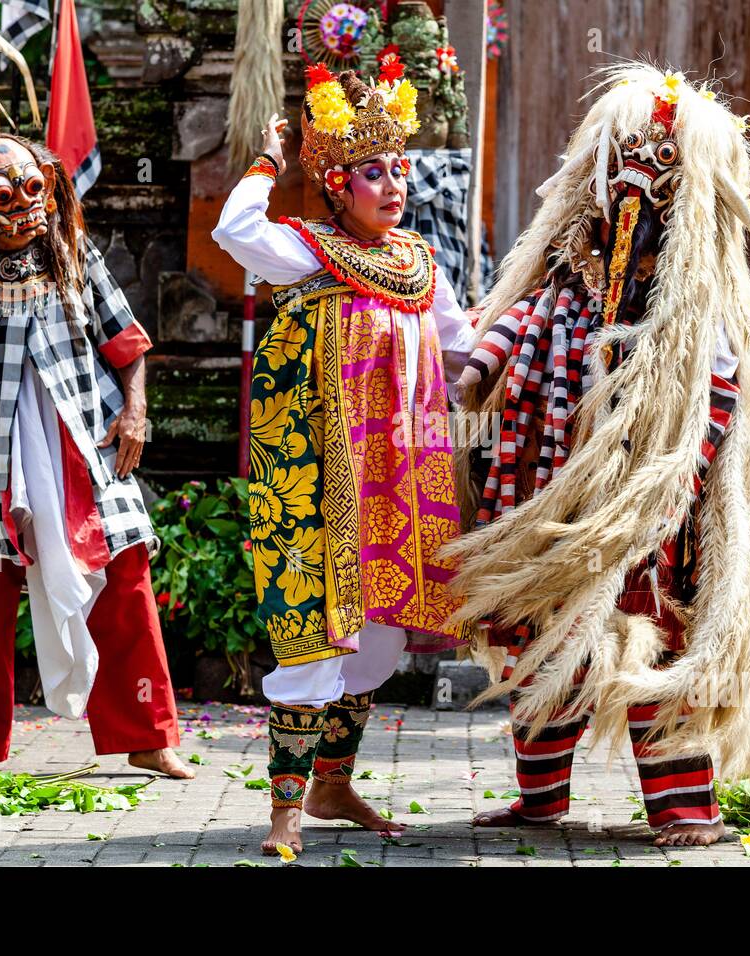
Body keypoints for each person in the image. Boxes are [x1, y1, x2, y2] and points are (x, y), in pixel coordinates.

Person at [444, 64, 750, 847]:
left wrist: (664, 481)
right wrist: (476, 373)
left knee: (649, 639)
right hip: (540, 491)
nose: (632, 211)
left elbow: (714, 401)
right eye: (622, 188)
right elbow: (509, 328)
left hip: (646, 511)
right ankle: (540, 799)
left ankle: (686, 810)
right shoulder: (565, 276)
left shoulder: (695, 308)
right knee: (535, 640)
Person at [211, 56, 475, 856]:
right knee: (317, 631)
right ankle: (284, 811)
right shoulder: (307, 250)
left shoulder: (421, 266)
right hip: (326, 478)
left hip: (400, 480)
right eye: (372, 173)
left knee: (380, 639)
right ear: (335, 186)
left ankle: (332, 785)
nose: (393, 185)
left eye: (400, 169)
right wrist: (267, 162)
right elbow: (232, 232)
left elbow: (466, 351)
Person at [0, 134, 189, 778]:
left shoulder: (75, 253)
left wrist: (135, 411)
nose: (22, 205)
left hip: (84, 446)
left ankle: (147, 736)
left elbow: (127, 343)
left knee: (123, 577)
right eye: (2, 193)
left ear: (47, 187)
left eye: (32, 188)